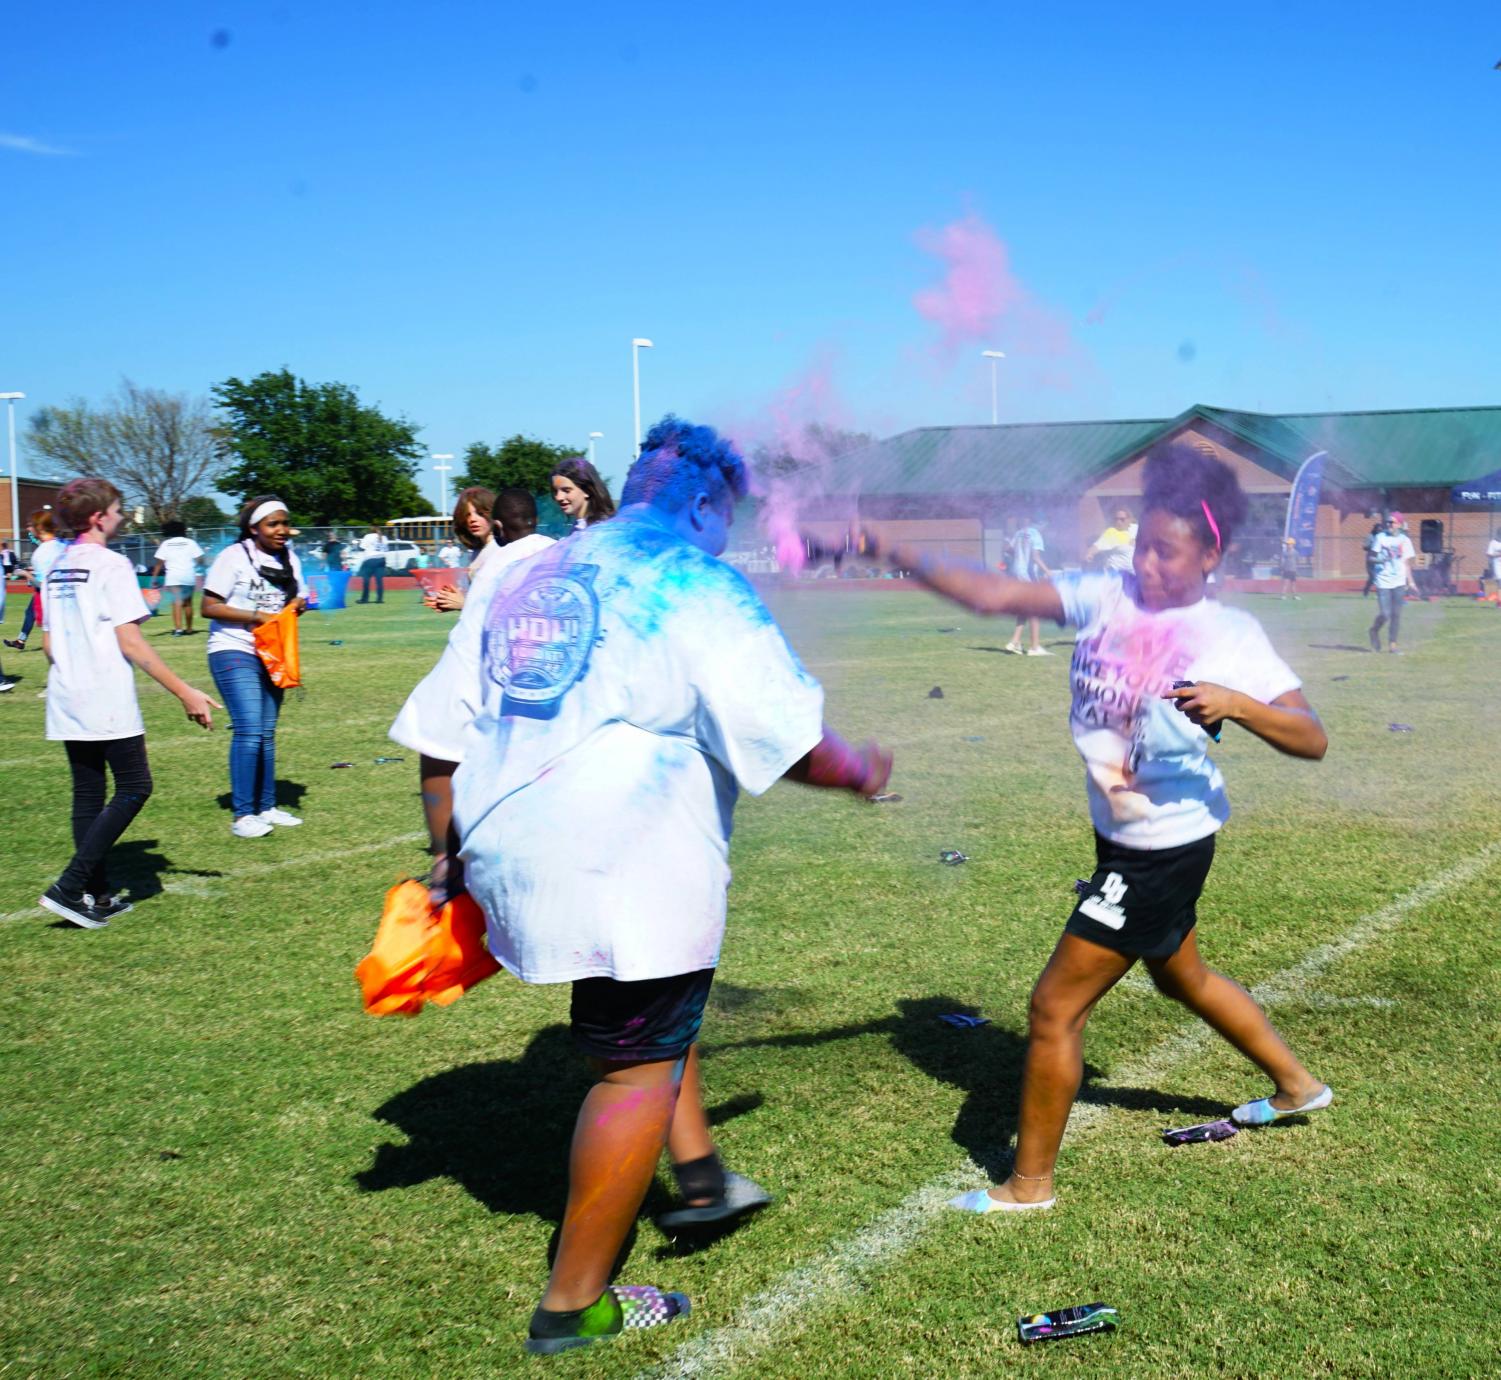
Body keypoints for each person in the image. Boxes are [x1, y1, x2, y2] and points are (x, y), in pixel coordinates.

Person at [407, 417, 891, 1354]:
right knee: (635, 1067)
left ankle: (701, 1174)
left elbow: (441, 728)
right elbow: (791, 742)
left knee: (656, 1021)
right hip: (619, 857)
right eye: (727, 512)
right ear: (706, 502)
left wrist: (445, 854)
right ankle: (572, 1303)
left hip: (509, 837)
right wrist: (859, 770)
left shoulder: (526, 569)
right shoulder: (694, 579)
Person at [868, 440, 1330, 1214]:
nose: (1147, 566)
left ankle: (1029, 1185)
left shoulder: (1229, 634)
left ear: (1211, 552)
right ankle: (1297, 1087)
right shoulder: (1105, 595)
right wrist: (891, 548)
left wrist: (1237, 703)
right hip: (1123, 839)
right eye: (1141, 546)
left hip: (1159, 850)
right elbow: (992, 595)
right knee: (1180, 975)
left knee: (1053, 1008)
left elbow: (1310, 737)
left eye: (1167, 552)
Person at [37, 478, 219, 927]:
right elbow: (132, 644)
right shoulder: (112, 565)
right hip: (105, 696)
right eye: (118, 510)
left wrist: (75, 670)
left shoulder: (57, 565)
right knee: (136, 786)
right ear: (99, 517)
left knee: (89, 795)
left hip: (66, 693)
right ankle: (70, 886)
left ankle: (96, 898)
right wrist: (186, 691)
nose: (121, 517)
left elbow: (48, 644)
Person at [201, 498, 307, 838]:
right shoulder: (233, 557)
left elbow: (299, 597)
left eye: (284, 523)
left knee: (266, 732)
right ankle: (243, 815)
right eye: (273, 524)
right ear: (254, 528)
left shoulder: (289, 557)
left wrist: (296, 605)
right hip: (233, 649)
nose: (281, 530)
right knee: (248, 728)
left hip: (272, 652)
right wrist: (257, 616)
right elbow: (209, 606)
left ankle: (267, 806)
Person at [427, 488, 553, 615]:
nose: (472, 519)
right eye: (467, 515)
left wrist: (463, 604)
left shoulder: (501, 550)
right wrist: (449, 600)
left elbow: (506, 602)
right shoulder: (478, 551)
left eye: (480, 514)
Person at [6, 510, 62, 652]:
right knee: (30, 613)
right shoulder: (57, 546)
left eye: (30, 525)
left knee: (47, 619)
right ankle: (21, 640)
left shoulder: (43, 551)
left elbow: (43, 583)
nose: (28, 529)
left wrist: (27, 574)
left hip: (49, 591)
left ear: (40, 527)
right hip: (50, 589)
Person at [1002, 513, 1053, 655]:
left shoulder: (1018, 533)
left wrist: (1019, 556)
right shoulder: (1036, 534)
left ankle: (1015, 642)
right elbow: (1036, 557)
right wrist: (1048, 571)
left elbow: (1007, 549)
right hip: (1027, 575)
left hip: (1015, 573)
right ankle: (1034, 647)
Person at [1368, 512, 1416, 653]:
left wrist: (1411, 582)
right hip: (1383, 580)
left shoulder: (1405, 541)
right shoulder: (1380, 538)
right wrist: (1380, 560)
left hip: (1399, 581)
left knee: (1396, 614)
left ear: (1399, 525)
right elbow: (1370, 558)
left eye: (1393, 522)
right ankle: (1374, 630)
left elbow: (1406, 564)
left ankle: (1392, 645)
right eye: (1388, 522)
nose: (1389, 524)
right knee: (1385, 613)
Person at [150, 519, 206, 636]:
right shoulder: (190, 543)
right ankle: (189, 629)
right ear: (182, 530)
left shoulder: (166, 544)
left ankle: (178, 629)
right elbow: (200, 559)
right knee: (188, 603)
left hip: (173, 577)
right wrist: (200, 565)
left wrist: (154, 578)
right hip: (188, 575)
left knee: (176, 602)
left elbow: (159, 563)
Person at [551, 455, 616, 531]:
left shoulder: (603, 528)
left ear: (587, 490)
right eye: (555, 491)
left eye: (566, 490)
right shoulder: (577, 527)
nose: (559, 497)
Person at [1085, 505, 1137, 573]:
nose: (1119, 522)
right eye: (1116, 519)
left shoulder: (1135, 528)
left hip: (1134, 575)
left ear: (1129, 519)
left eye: (1122, 519)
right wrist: (1089, 554)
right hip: (1116, 575)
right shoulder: (1111, 533)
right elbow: (1097, 546)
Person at [356, 525, 389, 603]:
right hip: (381, 559)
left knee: (366, 579)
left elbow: (362, 547)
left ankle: (365, 599)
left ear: (371, 530)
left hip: (370, 559)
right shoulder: (384, 537)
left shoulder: (368, 536)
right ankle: (379, 599)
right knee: (379, 580)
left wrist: (359, 544)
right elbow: (386, 549)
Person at [1360, 519, 1384, 597]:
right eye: (1377, 529)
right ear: (1374, 529)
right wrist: (1373, 546)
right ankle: (1366, 591)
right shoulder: (1370, 536)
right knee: (1372, 577)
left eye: (1380, 529)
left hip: (1379, 559)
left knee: (1379, 576)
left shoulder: (1383, 537)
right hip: (1370, 560)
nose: (1379, 531)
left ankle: (1380, 593)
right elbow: (1364, 547)